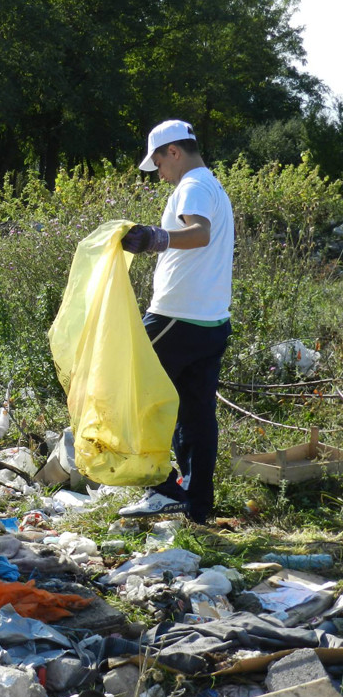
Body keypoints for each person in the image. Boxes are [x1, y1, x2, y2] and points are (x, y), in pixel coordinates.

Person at [117, 120, 234, 524]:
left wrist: (156, 238)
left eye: (160, 163)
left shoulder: (193, 186)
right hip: (211, 320)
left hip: (176, 317)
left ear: (174, 152)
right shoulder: (214, 186)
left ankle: (162, 489)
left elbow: (198, 233)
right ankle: (195, 502)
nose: (161, 174)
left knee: (134, 394)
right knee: (195, 413)